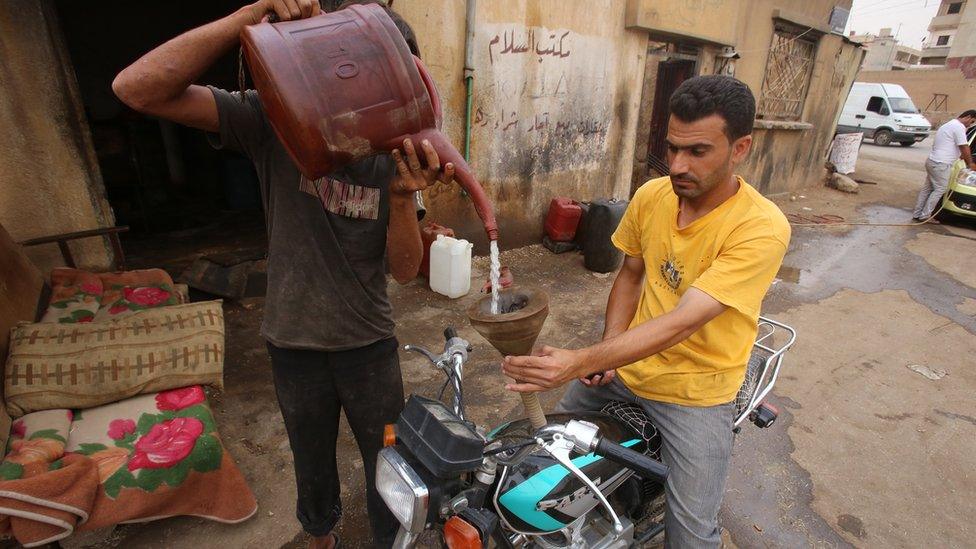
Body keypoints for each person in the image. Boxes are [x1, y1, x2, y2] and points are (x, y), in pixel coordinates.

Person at [112, 1, 451, 547]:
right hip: (292, 343)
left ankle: (390, 541)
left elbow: (405, 270)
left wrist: (402, 193)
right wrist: (248, 15)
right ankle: (320, 536)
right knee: (310, 459)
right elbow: (137, 88)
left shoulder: (397, 150)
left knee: (389, 461)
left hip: (368, 345)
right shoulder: (275, 122)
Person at [502, 75, 790, 548]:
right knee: (540, 462)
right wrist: (609, 352)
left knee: (692, 534)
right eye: (672, 148)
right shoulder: (652, 195)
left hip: (696, 393)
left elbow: (684, 320)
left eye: (697, 151)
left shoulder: (761, 227)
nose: (677, 165)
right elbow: (631, 275)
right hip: (627, 369)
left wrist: (579, 361)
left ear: (740, 148)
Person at [912, 110, 976, 223]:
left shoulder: (949, 124)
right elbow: (964, 147)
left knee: (927, 189)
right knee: (940, 189)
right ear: (968, 117)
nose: (970, 125)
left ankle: (917, 213)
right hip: (941, 164)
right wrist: (970, 163)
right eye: (972, 121)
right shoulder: (959, 127)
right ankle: (925, 216)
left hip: (932, 161)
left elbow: (950, 145)